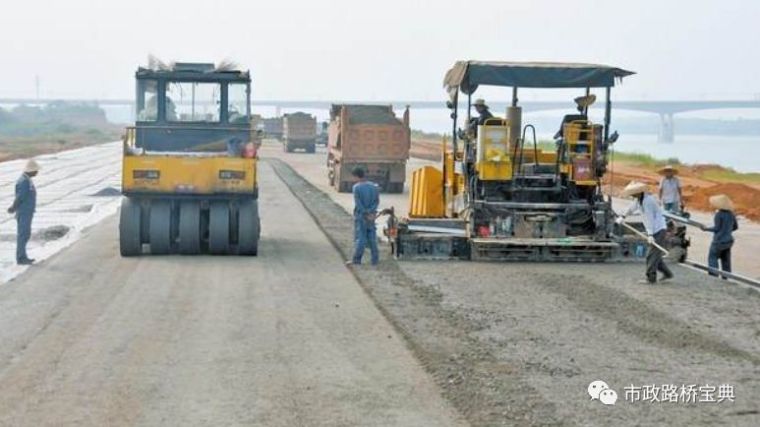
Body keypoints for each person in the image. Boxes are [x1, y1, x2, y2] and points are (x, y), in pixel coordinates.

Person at [616, 181, 674, 284]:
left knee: (651, 255)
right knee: (655, 255)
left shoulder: (648, 201)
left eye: (633, 193)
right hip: (654, 230)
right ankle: (667, 273)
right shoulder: (639, 200)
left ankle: (651, 278)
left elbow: (649, 219)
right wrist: (623, 216)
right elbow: (631, 208)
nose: (632, 195)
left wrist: (650, 234)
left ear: (639, 192)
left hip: (658, 230)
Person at [7, 160, 40, 265]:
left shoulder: (26, 179)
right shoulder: (24, 181)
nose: (37, 172)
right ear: (30, 170)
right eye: (36, 170)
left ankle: (23, 256)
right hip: (24, 212)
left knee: (25, 234)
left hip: (27, 211)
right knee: (23, 234)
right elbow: (20, 197)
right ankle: (21, 258)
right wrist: (13, 207)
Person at [348, 166, 380, 266]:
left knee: (360, 238)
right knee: (372, 238)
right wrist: (371, 212)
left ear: (356, 176)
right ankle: (374, 260)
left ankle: (357, 260)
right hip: (372, 216)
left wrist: (365, 213)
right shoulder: (374, 186)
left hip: (361, 216)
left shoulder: (356, 187)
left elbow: (358, 204)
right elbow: (376, 202)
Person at [701, 194, 738, 279]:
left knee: (712, 259)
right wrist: (727, 231)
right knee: (726, 261)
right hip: (728, 241)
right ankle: (726, 278)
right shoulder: (731, 214)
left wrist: (705, 229)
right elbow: (736, 227)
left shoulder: (719, 214)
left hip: (719, 241)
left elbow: (716, 228)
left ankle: (714, 277)